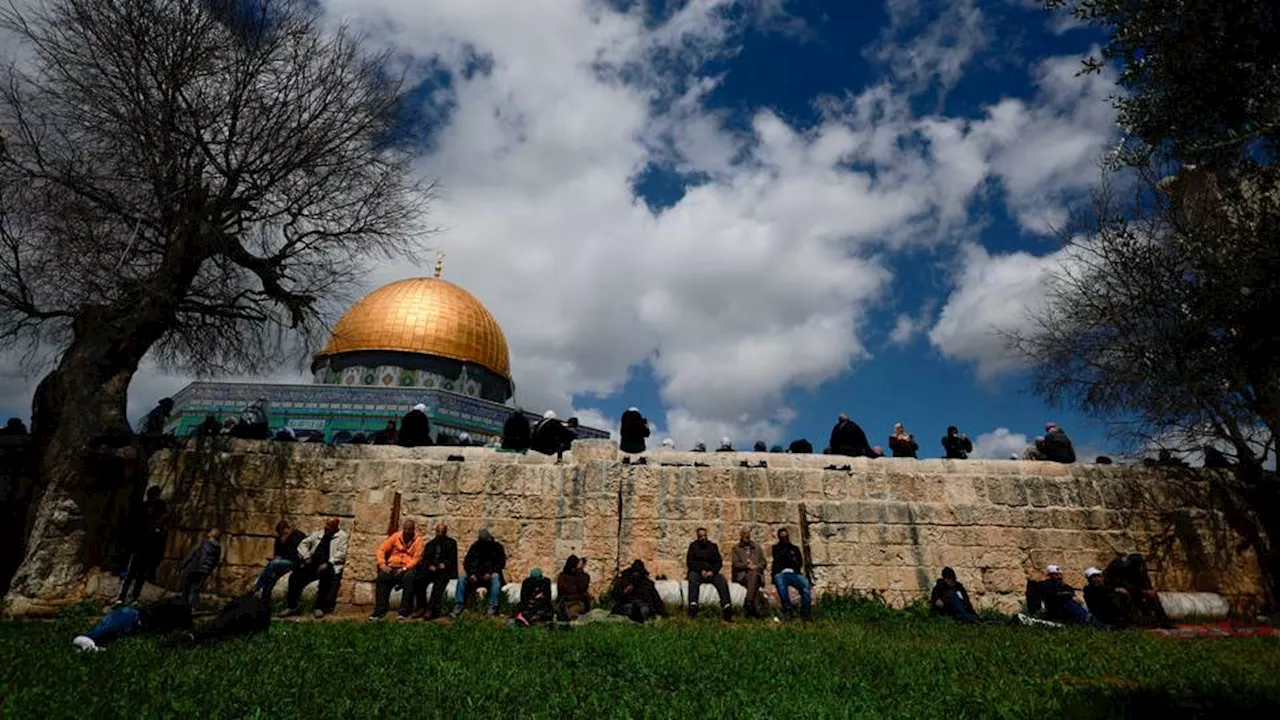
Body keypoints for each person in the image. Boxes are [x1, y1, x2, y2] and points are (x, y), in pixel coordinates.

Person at [282, 518, 349, 618]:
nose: (327, 528)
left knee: (326, 576)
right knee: (295, 576)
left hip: (329, 565)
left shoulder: (342, 536)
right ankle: (292, 606)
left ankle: (319, 607)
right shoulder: (318, 534)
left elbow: (341, 553)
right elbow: (303, 544)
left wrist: (328, 563)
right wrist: (307, 556)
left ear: (335, 526)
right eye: (326, 525)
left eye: (330, 526)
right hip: (313, 564)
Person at [72, 596, 193, 652]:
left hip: (135, 620)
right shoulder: (131, 616)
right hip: (135, 618)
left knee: (102, 635)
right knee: (99, 634)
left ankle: (91, 643)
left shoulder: (167, 620)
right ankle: (90, 642)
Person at [117, 486, 168, 605]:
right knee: (138, 575)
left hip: (140, 548)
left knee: (132, 574)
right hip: (145, 549)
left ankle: (123, 597)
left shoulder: (144, 509)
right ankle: (131, 597)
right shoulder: (149, 511)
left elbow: (132, 528)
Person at [371, 520, 424, 620]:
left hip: (407, 568)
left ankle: (404, 611)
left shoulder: (418, 541)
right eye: (405, 529)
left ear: (413, 530)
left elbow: (417, 558)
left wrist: (405, 568)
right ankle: (379, 610)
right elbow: (381, 550)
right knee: (382, 577)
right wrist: (383, 565)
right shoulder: (396, 537)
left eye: (410, 529)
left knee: (410, 577)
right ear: (403, 529)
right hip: (393, 566)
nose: (407, 532)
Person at [1104, 553, 1171, 627]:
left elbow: (1144, 581)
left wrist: (1150, 591)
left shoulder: (1139, 568)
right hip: (1116, 591)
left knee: (1152, 597)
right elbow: (1124, 585)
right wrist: (1144, 592)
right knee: (1125, 597)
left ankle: (1162, 620)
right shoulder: (1119, 567)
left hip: (1133, 590)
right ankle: (1136, 622)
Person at [453, 529, 506, 617]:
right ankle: (458, 605)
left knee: (496, 579)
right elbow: (467, 562)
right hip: (476, 573)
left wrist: (490, 572)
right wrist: (471, 573)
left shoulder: (497, 547)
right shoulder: (475, 547)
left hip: (491, 573)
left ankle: (493, 606)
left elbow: (501, 563)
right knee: (462, 578)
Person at [411, 523, 458, 619]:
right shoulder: (431, 544)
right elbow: (426, 559)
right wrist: (429, 566)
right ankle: (421, 607)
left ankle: (431, 609)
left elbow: (452, 559)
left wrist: (444, 565)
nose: (440, 534)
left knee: (438, 585)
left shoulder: (451, 543)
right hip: (432, 569)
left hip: (444, 570)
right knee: (419, 580)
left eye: (442, 532)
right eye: (438, 531)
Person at [686, 528, 732, 620]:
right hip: (698, 572)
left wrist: (712, 571)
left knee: (721, 580)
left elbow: (718, 562)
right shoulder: (693, 546)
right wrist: (700, 570)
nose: (703, 538)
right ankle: (693, 604)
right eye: (701, 536)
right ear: (698, 537)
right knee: (692, 577)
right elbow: (690, 562)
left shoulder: (713, 546)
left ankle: (726, 605)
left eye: (704, 536)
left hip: (711, 573)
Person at [253, 520, 306, 601]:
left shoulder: (298, 535)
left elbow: (295, 554)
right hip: (283, 562)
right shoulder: (279, 539)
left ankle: (257, 586)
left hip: (295, 562)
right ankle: (265, 597)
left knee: (274, 564)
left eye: (284, 532)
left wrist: (284, 544)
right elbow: (277, 553)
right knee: (271, 575)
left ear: (288, 529)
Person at [771, 528, 812, 620]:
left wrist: (790, 561)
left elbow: (799, 562)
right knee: (781, 586)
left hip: (794, 573)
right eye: (782, 537)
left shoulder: (794, 548)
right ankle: (788, 610)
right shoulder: (776, 548)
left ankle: (806, 612)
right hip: (781, 573)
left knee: (805, 584)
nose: (785, 539)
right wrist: (790, 559)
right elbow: (779, 560)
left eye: (786, 537)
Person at [178, 529, 222, 608]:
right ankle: (192, 607)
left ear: (210, 534)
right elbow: (215, 562)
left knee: (186, 588)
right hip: (205, 570)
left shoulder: (203, 543)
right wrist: (209, 572)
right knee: (195, 589)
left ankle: (183, 607)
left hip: (194, 568)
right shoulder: (218, 548)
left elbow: (192, 554)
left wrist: (182, 565)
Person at [730, 528, 769, 619]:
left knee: (754, 574)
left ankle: (749, 602)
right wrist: (746, 566)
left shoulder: (757, 547)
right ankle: (758, 612)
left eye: (748, 535)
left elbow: (763, 562)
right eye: (744, 534)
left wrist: (756, 566)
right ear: (741, 536)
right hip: (743, 575)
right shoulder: (736, 548)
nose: (746, 536)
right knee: (754, 582)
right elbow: (736, 564)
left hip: (756, 575)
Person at [555, 555, 591, 621]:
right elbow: (563, 590)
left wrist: (579, 572)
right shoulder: (563, 576)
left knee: (571, 612)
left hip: (577, 602)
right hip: (565, 602)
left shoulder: (584, 576)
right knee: (561, 611)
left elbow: (581, 589)